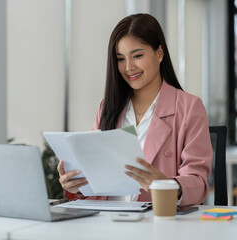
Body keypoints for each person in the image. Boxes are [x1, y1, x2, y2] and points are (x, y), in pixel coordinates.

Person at [57, 13, 212, 206]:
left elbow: (198, 183)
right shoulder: (107, 108)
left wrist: (165, 185)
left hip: (156, 224)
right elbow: (98, 188)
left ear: (159, 53)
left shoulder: (189, 108)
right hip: (106, 223)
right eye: (120, 59)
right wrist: (77, 187)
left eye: (137, 56)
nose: (129, 67)